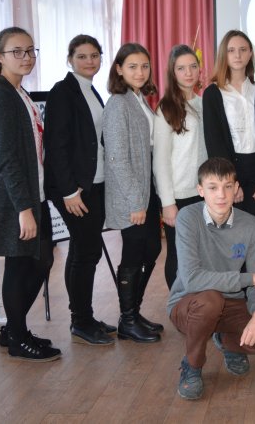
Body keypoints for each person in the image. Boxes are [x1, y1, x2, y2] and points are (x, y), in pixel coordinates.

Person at [0, 27, 61, 361]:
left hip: (31, 194)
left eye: (30, 50)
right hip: (13, 200)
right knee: (20, 264)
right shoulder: (0, 95)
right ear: (0, 57)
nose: (26, 57)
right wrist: (24, 208)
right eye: (17, 52)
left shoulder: (16, 92)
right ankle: (17, 338)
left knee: (40, 260)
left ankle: (13, 329)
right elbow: (7, 158)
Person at [167, 157, 255, 401]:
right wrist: (250, 278)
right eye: (213, 187)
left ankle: (227, 340)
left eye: (228, 186)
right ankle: (192, 365)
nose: (221, 195)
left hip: (231, 302)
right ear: (200, 190)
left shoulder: (250, 225)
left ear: (236, 188)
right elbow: (192, 279)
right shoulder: (187, 218)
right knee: (210, 301)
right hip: (189, 303)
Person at [44, 34, 115, 346]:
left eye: (94, 55)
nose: (89, 61)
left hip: (93, 183)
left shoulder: (91, 89)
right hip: (74, 189)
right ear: (70, 59)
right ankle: (81, 321)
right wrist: (69, 191)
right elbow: (55, 146)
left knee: (82, 250)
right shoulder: (63, 92)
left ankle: (83, 317)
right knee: (87, 251)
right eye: (82, 56)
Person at [102, 43, 163, 343]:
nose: (140, 72)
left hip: (145, 191)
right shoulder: (118, 103)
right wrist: (136, 201)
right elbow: (116, 158)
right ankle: (127, 320)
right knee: (134, 254)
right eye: (133, 67)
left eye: (144, 66)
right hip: (132, 197)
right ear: (119, 69)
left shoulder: (138, 98)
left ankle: (133, 313)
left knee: (151, 249)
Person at [154, 44, 206, 289]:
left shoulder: (204, 103)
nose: (188, 73)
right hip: (179, 195)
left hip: (204, 192)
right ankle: (177, 304)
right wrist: (168, 203)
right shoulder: (166, 108)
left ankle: (199, 301)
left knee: (201, 252)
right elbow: (160, 160)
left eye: (193, 66)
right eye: (181, 68)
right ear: (172, 72)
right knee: (178, 252)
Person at [203, 30, 255, 219]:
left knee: (253, 225)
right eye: (231, 50)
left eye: (243, 49)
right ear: (224, 55)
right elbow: (214, 141)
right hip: (230, 169)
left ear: (250, 53)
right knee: (230, 227)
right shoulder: (213, 93)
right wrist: (230, 181)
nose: (237, 55)